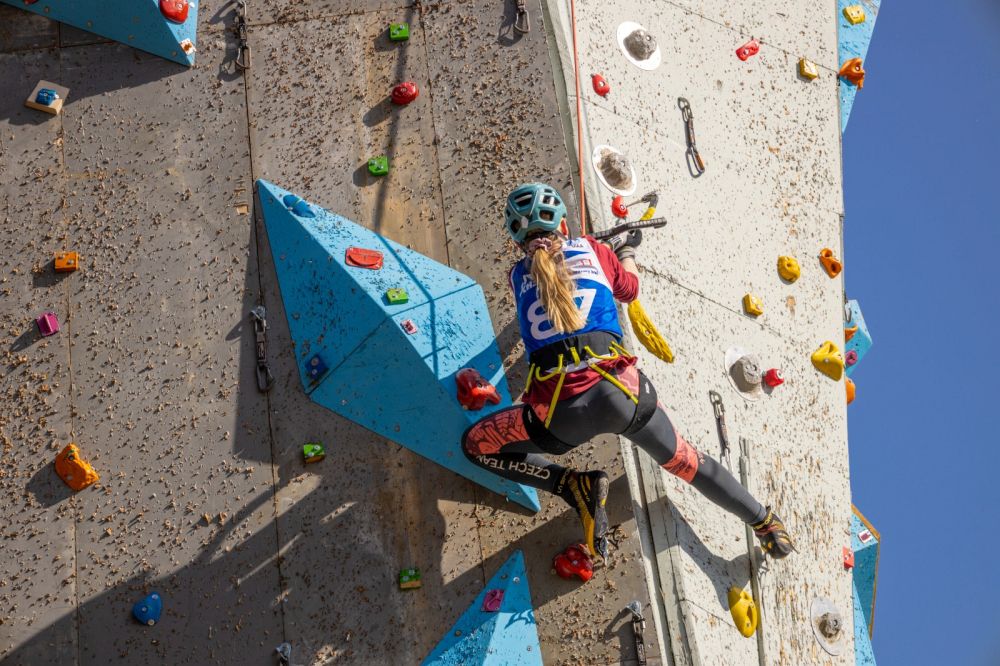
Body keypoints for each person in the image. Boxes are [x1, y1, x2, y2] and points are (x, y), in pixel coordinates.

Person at [461, 183, 794, 562]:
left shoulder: (517, 276)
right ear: (564, 225)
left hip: (559, 415)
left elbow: (550, 294)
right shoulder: (594, 250)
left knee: (476, 445)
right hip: (624, 396)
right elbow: (630, 289)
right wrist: (626, 252)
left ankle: (570, 484)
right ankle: (765, 522)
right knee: (686, 461)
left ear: (517, 242)